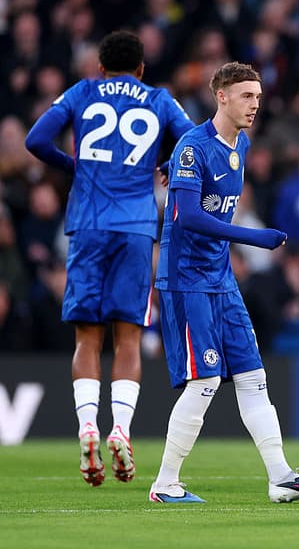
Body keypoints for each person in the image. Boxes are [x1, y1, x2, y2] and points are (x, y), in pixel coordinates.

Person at [149, 61, 299, 503]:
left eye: (257, 95)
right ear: (222, 96)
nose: (255, 104)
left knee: (254, 376)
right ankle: (165, 484)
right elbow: (189, 217)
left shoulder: (241, 143)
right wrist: (255, 238)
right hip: (186, 280)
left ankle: (281, 478)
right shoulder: (194, 147)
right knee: (206, 382)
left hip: (220, 278)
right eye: (246, 96)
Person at [24, 30, 195, 487]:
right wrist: (168, 164)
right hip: (136, 227)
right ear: (141, 68)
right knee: (127, 338)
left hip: (88, 223)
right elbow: (195, 142)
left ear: (100, 67)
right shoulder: (158, 99)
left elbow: (36, 140)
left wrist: (74, 166)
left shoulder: (82, 92)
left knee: (87, 337)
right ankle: (120, 428)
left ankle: (86, 428)